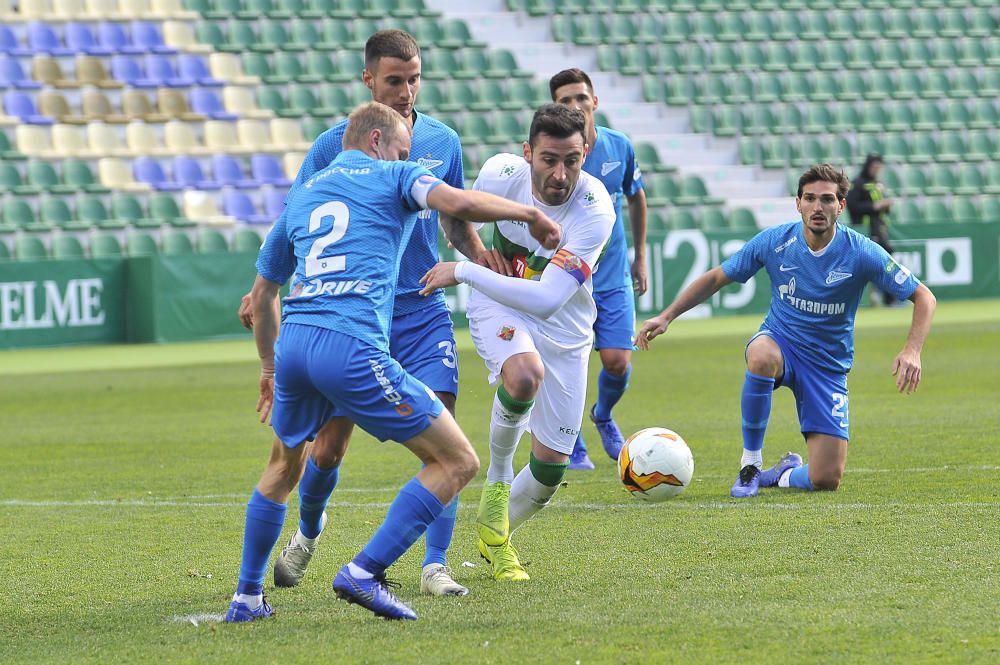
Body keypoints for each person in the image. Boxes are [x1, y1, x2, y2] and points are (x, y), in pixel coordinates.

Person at [227, 101, 560, 623]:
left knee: (281, 467)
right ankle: (364, 572)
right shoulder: (396, 173)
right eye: (404, 151)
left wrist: (268, 371)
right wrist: (528, 214)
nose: (409, 160)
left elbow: (264, 292)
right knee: (458, 461)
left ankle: (246, 597)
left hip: (294, 344)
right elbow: (454, 202)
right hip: (351, 344)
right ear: (378, 141)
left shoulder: (304, 194)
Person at [238, 30, 501, 597]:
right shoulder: (334, 145)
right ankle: (309, 532)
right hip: (349, 314)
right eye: (394, 81)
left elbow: (455, 221)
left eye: (414, 78)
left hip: (420, 308)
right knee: (327, 451)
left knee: (445, 428)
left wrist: (478, 260)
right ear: (368, 81)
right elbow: (297, 221)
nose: (407, 91)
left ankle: (434, 566)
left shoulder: (443, 140)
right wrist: (262, 287)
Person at [638, 164, 936, 498]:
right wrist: (667, 316)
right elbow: (718, 277)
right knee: (761, 355)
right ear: (798, 203)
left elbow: (924, 297)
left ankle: (779, 475)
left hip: (827, 366)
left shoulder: (862, 252)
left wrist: (912, 350)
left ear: (841, 205)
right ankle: (750, 465)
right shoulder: (775, 242)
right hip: (782, 343)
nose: (817, 207)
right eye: (809, 198)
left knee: (826, 478)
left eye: (826, 199)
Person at [420, 104, 616, 581]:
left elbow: (550, 300)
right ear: (528, 153)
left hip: (564, 326)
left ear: (585, 153)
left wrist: (461, 270)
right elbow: (453, 219)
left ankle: (495, 535)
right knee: (524, 374)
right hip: (500, 302)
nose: (560, 172)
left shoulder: (595, 208)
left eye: (572, 159)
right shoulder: (498, 173)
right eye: (549, 159)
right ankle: (497, 482)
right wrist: (478, 257)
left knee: (551, 469)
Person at [549, 68, 648, 470]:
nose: (574, 106)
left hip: (610, 277)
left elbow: (636, 198)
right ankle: (568, 439)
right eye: (565, 100)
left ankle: (602, 414)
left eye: (580, 98)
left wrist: (640, 254)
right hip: (566, 277)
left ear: (595, 101)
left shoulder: (619, 146)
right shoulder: (551, 153)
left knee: (617, 361)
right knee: (567, 365)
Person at [846, 154, 896, 306]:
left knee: (885, 260)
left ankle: (884, 297)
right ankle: (877, 296)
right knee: (880, 261)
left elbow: (882, 209)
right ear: (868, 166)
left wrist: (886, 206)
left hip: (879, 227)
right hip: (866, 229)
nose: (877, 170)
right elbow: (852, 206)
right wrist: (874, 206)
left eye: (879, 167)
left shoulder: (877, 183)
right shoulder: (857, 183)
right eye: (874, 166)